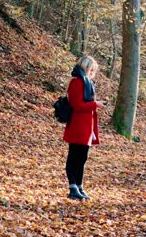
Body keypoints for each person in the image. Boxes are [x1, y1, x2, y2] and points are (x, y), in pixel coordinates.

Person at [63, 56, 104, 200]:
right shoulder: (77, 82)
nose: (93, 72)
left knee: (83, 157)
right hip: (77, 124)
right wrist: (95, 104)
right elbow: (77, 105)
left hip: (87, 125)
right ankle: (73, 187)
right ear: (86, 67)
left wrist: (95, 105)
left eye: (94, 69)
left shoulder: (87, 82)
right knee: (74, 156)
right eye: (91, 69)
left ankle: (79, 187)